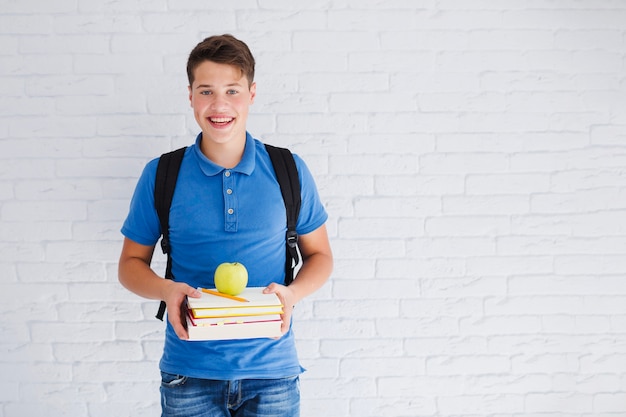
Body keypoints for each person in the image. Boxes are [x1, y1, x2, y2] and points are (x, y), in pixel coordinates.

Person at [118, 34, 333, 417]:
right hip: (189, 374)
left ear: (252, 94)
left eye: (232, 90)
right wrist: (168, 291)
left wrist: (293, 293)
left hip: (273, 373)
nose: (219, 105)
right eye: (206, 91)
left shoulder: (289, 170)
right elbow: (130, 264)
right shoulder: (162, 174)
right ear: (190, 96)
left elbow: (320, 255)